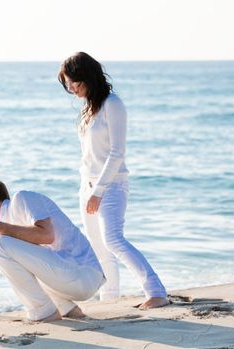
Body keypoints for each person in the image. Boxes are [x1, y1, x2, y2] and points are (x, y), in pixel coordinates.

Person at [58, 52, 169, 309]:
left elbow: (117, 152)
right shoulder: (88, 109)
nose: (71, 88)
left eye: (74, 82)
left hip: (112, 186)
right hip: (87, 186)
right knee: (99, 248)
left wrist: (98, 191)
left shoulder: (112, 104)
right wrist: (88, 189)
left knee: (113, 240)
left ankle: (156, 290)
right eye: (67, 84)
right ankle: (110, 300)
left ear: (88, 76)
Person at [0, 180, 106, 322]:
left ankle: (44, 312)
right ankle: (66, 308)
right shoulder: (8, 238)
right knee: (3, 250)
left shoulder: (22, 198)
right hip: (74, 280)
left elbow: (47, 235)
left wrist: (0, 227)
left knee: (0, 245)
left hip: (84, 273)